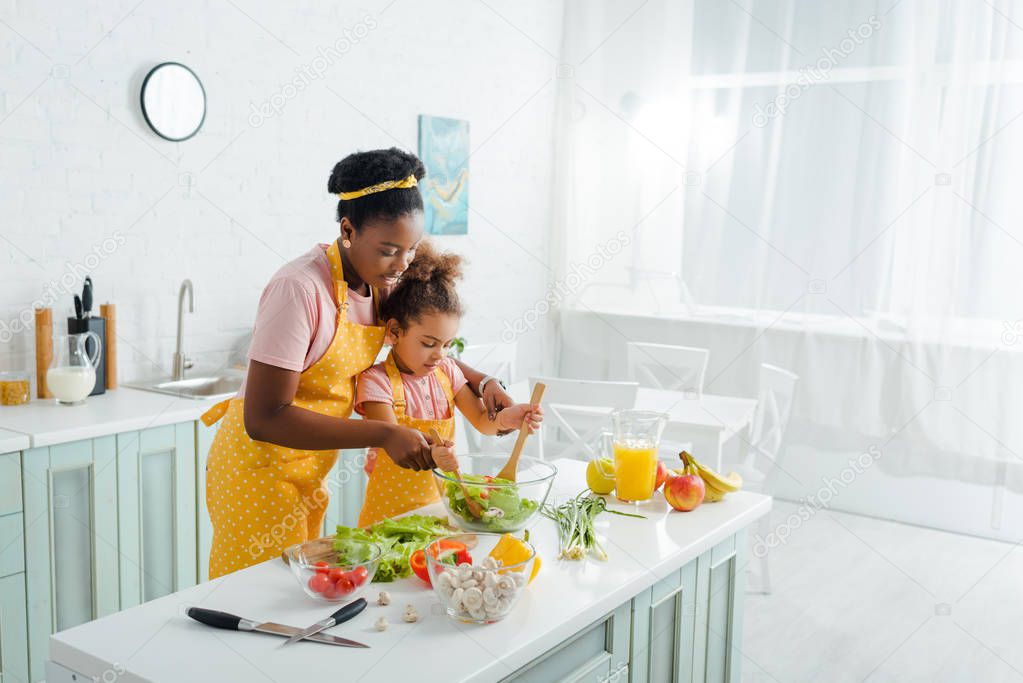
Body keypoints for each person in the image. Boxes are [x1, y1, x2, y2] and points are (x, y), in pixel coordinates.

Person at [201, 148, 515, 578]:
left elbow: (419, 350)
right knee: (253, 604)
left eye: (411, 249)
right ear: (348, 230)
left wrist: (483, 382)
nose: (402, 265)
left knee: (297, 596)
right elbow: (264, 417)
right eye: (389, 249)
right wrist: (385, 433)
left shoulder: (378, 284)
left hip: (311, 468)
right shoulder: (299, 290)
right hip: (257, 470)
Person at [354, 242, 542, 526]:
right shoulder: (376, 382)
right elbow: (395, 444)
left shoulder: (447, 372)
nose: (439, 354)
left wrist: (508, 419)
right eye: (428, 343)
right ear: (394, 331)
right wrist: (432, 454)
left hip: (438, 512)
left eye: (446, 344)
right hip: (387, 518)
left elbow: (482, 420)